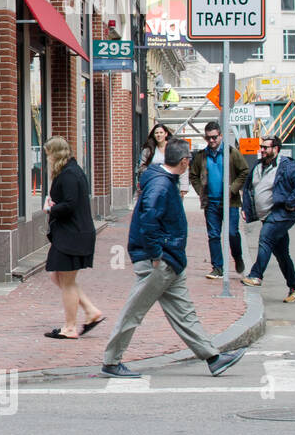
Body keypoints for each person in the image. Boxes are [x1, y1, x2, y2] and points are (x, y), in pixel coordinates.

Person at [102, 138, 246, 378]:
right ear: (183, 161)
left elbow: (150, 218)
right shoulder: (161, 185)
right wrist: (156, 254)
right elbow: (149, 220)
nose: (190, 163)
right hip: (160, 261)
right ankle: (111, 361)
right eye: (188, 160)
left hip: (170, 259)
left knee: (184, 311)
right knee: (134, 311)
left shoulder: (161, 180)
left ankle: (213, 357)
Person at [41, 136, 104, 339]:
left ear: (55, 154)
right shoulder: (71, 170)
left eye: (48, 154)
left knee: (67, 281)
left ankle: (70, 327)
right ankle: (91, 310)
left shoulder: (69, 174)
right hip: (72, 233)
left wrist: (51, 208)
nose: (47, 158)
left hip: (73, 235)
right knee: (57, 275)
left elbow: (70, 204)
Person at [241, 135, 295, 302]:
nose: (262, 150)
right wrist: (246, 209)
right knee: (282, 254)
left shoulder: (286, 166)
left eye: (266, 147)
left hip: (280, 215)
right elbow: (249, 188)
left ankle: (256, 276)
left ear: (276, 149)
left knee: (265, 239)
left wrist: (290, 202)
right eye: (261, 147)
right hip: (266, 215)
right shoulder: (258, 166)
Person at [188, 121, 249, 278]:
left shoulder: (231, 153)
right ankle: (217, 267)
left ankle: (237, 257)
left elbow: (244, 171)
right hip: (211, 203)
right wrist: (201, 191)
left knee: (232, 233)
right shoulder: (201, 156)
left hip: (230, 202)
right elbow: (193, 175)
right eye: (208, 138)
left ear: (221, 136)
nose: (212, 141)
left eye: (214, 137)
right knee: (214, 235)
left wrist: (233, 189)